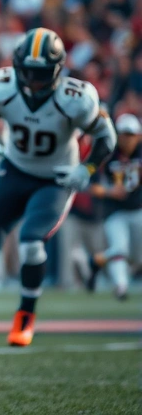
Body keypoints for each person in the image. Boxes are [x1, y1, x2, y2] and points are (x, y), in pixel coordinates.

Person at [0, 28, 115, 346]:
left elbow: (106, 135)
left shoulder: (76, 98)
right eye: (27, 72)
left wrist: (88, 167)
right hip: (13, 170)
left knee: (31, 243)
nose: (33, 81)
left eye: (41, 73)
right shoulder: (1, 88)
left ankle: (25, 314)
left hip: (55, 178)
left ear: (57, 70)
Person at [74, 113, 142, 300]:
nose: (127, 140)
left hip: (138, 210)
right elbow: (91, 185)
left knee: (137, 257)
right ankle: (121, 287)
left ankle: (95, 261)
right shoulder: (107, 152)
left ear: (139, 136)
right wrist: (110, 191)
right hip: (115, 212)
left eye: (131, 135)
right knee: (119, 248)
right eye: (124, 135)